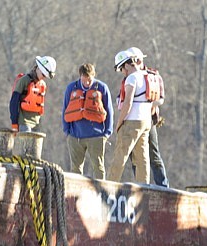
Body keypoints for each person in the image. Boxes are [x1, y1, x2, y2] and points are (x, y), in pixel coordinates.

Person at [107, 48, 154, 183]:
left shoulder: (131, 78)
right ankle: (144, 188)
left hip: (132, 121)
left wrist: (119, 123)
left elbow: (127, 103)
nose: (122, 72)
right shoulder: (146, 75)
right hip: (146, 120)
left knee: (120, 155)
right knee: (142, 158)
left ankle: (110, 185)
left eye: (121, 69)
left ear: (126, 65)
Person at [62, 63, 114, 180]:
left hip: (96, 136)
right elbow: (65, 108)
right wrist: (67, 131)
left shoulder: (102, 88)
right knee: (75, 169)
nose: (87, 83)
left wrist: (107, 132)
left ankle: (101, 194)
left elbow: (109, 111)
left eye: (89, 80)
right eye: (84, 79)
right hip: (76, 136)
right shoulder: (71, 88)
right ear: (80, 76)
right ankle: (75, 195)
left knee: (98, 167)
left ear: (93, 76)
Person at [127, 47, 170, 187]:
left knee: (153, 154)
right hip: (131, 121)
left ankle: (163, 187)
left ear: (138, 60)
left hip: (148, 120)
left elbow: (160, 99)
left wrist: (145, 106)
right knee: (134, 156)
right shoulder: (129, 76)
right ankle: (140, 185)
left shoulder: (153, 76)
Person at [10, 55, 57, 133]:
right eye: (43, 75)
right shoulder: (24, 80)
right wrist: (14, 123)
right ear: (38, 68)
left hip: (36, 125)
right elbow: (13, 102)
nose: (44, 78)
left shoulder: (42, 85)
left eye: (46, 76)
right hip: (23, 123)